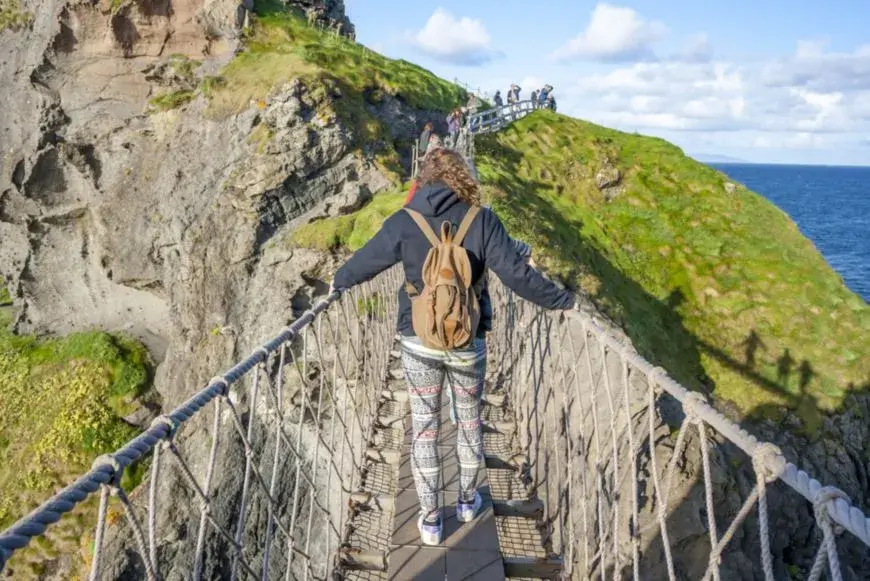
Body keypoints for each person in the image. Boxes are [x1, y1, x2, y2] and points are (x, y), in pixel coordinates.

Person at [330, 148, 575, 546]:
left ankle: (429, 520)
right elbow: (516, 275)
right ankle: (465, 501)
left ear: (425, 177)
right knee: (468, 420)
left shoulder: (403, 220)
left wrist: (338, 280)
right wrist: (561, 300)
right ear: (464, 177)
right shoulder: (483, 220)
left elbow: (365, 262)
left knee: (424, 428)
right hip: (467, 341)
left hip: (418, 341)